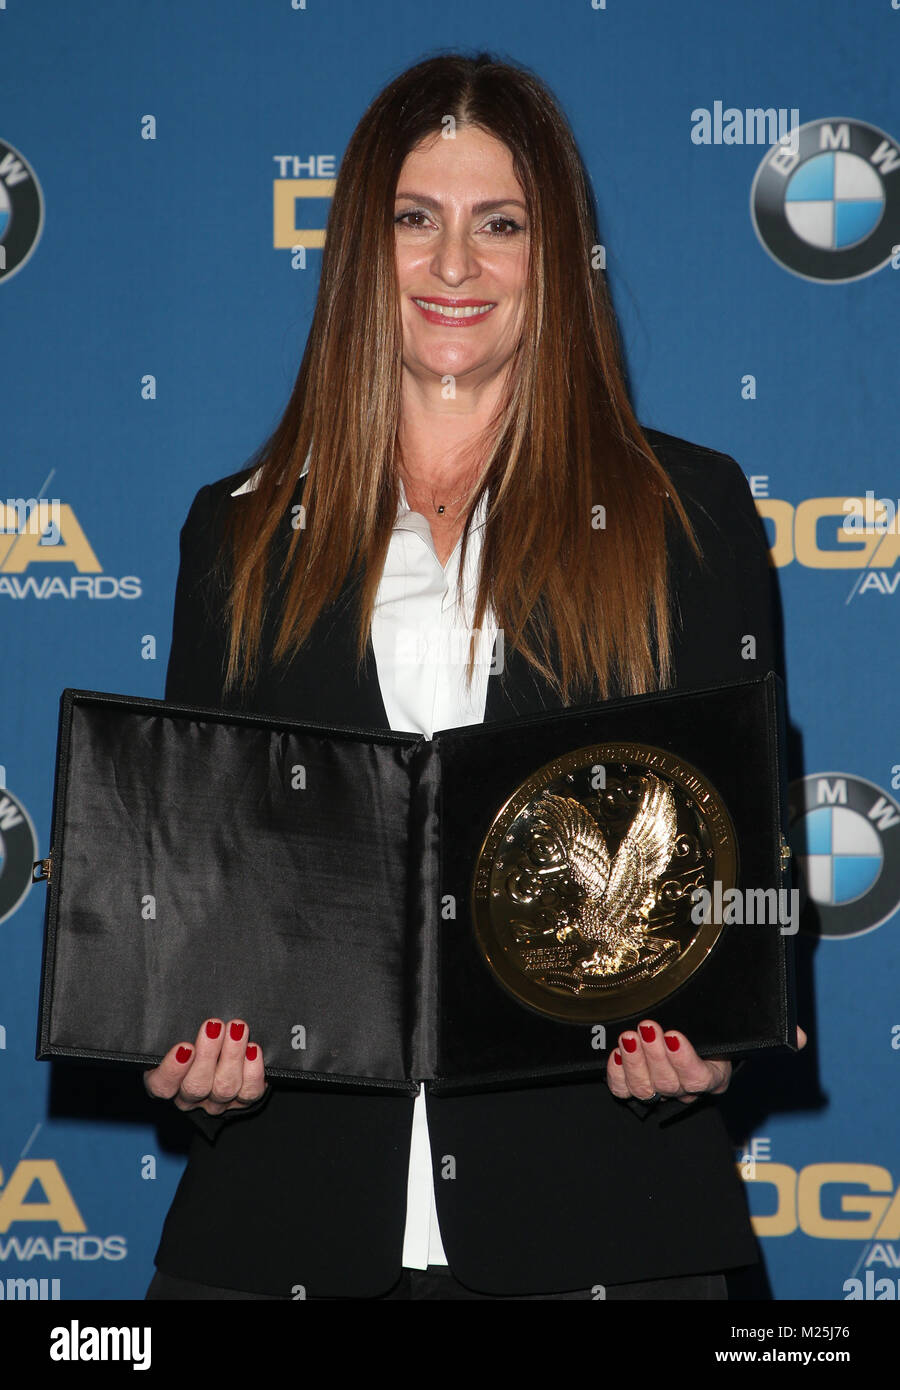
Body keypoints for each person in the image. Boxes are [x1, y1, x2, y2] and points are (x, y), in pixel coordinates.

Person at [143, 51, 803, 1300]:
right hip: (281, 1238)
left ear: (554, 257)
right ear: (356, 251)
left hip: (609, 1232)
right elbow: (194, 885)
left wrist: (727, 1030)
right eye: (415, 220)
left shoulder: (687, 513)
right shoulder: (230, 535)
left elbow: (753, 862)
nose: (456, 266)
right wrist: (187, 1058)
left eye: (500, 224)